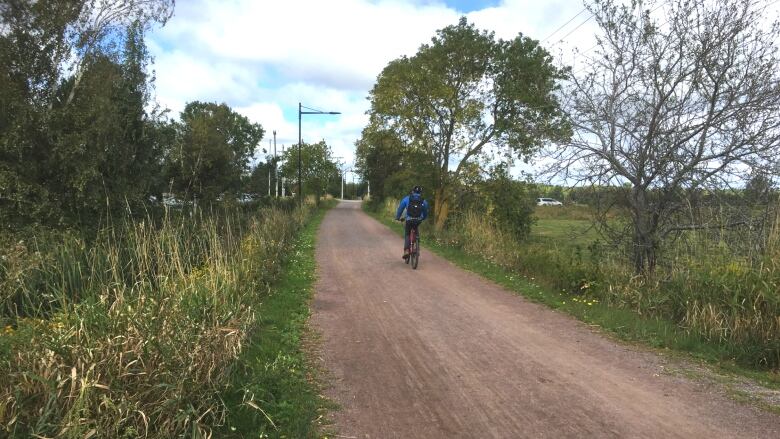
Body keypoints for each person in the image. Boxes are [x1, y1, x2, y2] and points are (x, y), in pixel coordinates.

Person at [395, 186, 430, 260]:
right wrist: (423, 218)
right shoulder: (423, 201)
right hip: (418, 220)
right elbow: (425, 211)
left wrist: (397, 217)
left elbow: (400, 208)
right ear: (420, 192)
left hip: (409, 219)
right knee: (416, 230)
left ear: (412, 191)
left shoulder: (407, 198)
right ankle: (416, 246)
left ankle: (407, 250)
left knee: (407, 233)